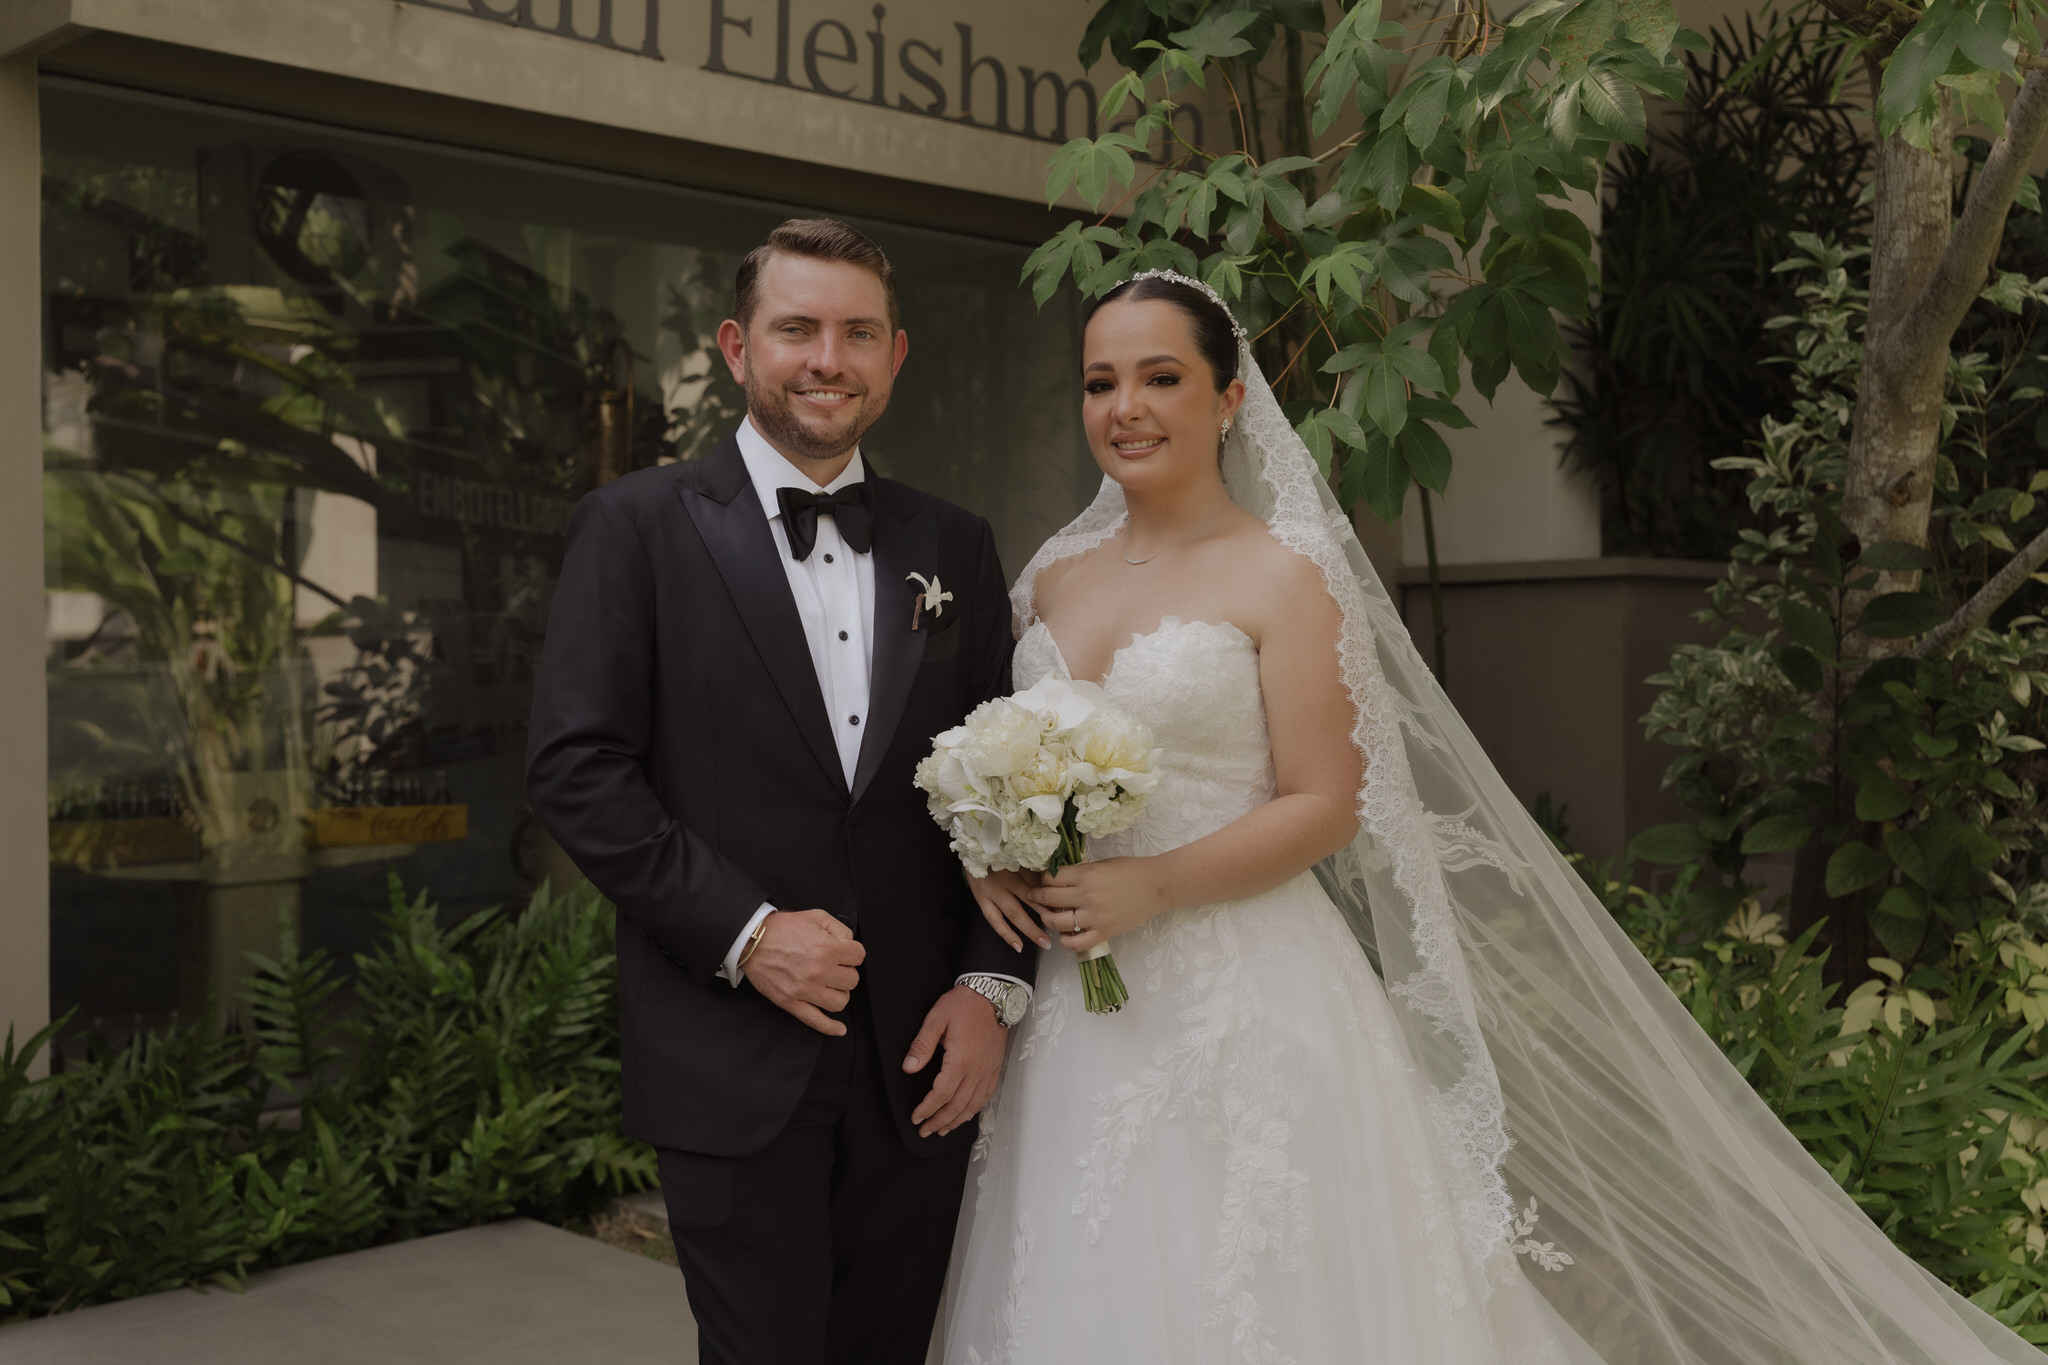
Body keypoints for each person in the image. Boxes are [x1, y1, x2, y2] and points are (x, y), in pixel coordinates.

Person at [939, 272, 2048, 1365]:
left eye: (1160, 377)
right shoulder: (1049, 577)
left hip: (1239, 992)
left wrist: (1155, 883)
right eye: (1099, 383)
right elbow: (995, 758)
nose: (1124, 408)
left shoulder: (1284, 573)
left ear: (1228, 398)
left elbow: (1326, 804)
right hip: (1074, 1002)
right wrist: (991, 847)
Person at [526, 218, 1038, 1365]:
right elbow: (575, 767)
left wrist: (990, 986)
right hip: (727, 1050)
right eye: (797, 328)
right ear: (735, 347)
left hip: (921, 1058)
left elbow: (1007, 787)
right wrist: (748, 933)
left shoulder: (953, 544)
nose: (826, 359)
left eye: (856, 334)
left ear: (893, 357)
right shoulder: (633, 527)